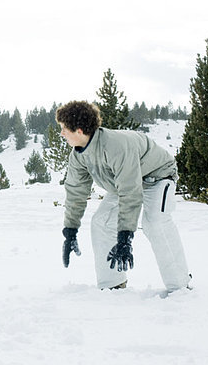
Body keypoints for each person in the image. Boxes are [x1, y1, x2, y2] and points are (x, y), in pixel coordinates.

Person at [57, 101, 190, 291]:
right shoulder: (79, 154)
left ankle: (180, 286)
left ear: (79, 131)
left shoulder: (116, 146)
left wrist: (125, 238)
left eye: (63, 129)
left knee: (155, 223)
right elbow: (76, 191)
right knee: (101, 221)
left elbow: (131, 192)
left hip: (158, 177)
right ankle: (113, 284)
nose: (61, 133)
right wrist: (70, 230)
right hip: (124, 184)